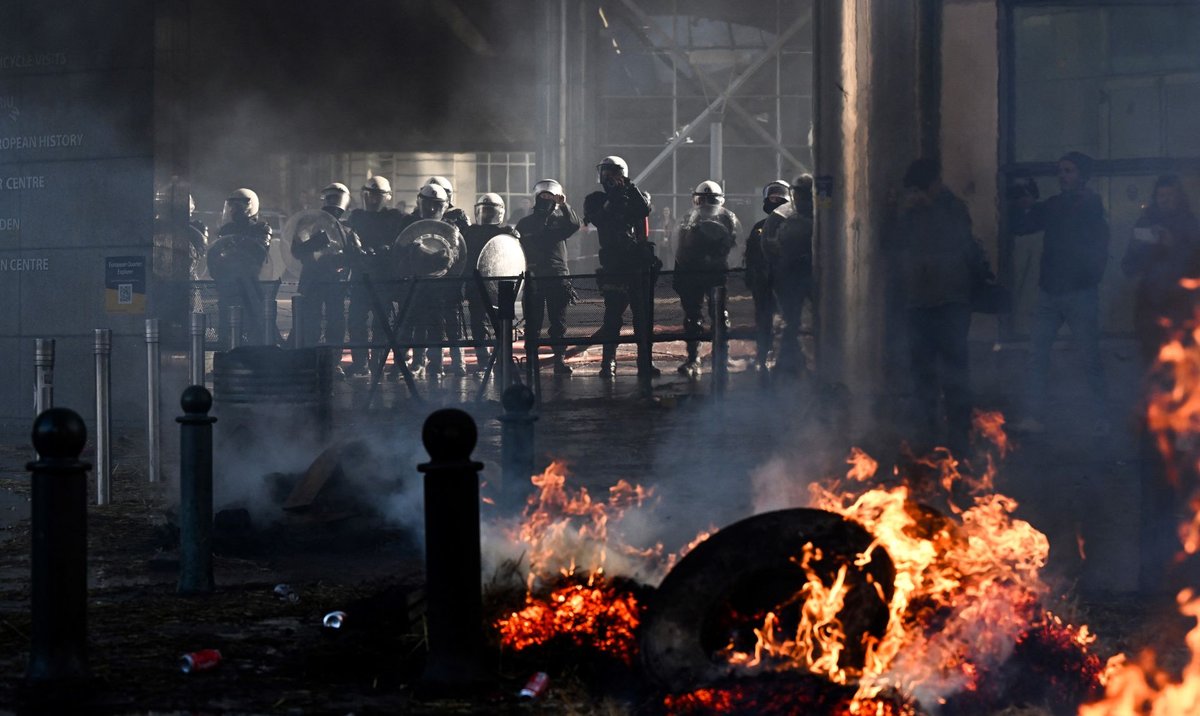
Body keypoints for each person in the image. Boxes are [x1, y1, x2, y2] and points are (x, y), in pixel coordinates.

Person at [892, 159, 992, 456]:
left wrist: (929, 210)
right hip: (919, 302)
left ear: (933, 184)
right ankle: (926, 431)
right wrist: (904, 213)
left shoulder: (952, 208)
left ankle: (959, 435)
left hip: (950, 302)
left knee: (954, 370)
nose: (917, 195)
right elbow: (893, 244)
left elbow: (956, 242)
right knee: (922, 371)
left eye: (920, 189)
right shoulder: (910, 213)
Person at [1010, 151, 1110, 434]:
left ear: (1082, 175)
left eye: (1068, 171)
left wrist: (1088, 278)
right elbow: (1023, 227)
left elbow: (1099, 249)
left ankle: (1101, 417)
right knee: (1037, 355)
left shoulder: (1089, 207)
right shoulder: (1057, 205)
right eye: (1060, 171)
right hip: (1052, 291)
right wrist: (1022, 205)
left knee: (1088, 357)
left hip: (1077, 292)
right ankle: (1034, 416)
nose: (1062, 176)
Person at [582, 155, 658, 379]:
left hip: (636, 262)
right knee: (613, 315)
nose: (608, 177)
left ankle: (645, 361)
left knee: (642, 315)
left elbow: (643, 210)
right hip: (613, 262)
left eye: (613, 173)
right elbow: (598, 219)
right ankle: (608, 363)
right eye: (605, 173)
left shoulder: (633, 196)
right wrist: (613, 198)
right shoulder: (595, 199)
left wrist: (629, 187)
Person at [1121, 174, 1200, 366]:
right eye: (1161, 196)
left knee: (1181, 359)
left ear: (1179, 197)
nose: (1165, 200)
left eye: (1170, 195)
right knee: (1151, 358)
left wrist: (1174, 245)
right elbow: (1129, 266)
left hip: (1180, 302)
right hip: (1150, 303)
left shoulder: (1190, 224)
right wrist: (1140, 247)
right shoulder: (1146, 223)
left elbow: (1195, 265)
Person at [672, 180, 740, 378]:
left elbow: (732, 244)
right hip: (699, 272)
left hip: (708, 272)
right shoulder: (692, 219)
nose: (705, 203)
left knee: (713, 315)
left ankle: (710, 357)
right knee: (701, 316)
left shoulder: (723, 219)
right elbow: (681, 247)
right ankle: (699, 358)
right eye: (703, 199)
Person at [517, 179, 582, 375]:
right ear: (537, 198)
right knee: (532, 323)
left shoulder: (560, 221)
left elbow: (574, 224)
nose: (546, 199)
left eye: (550, 196)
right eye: (543, 196)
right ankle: (531, 360)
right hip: (534, 276)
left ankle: (559, 361)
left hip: (557, 276)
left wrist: (564, 205)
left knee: (558, 323)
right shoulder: (525, 223)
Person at [290, 183, 361, 359]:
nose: (333, 203)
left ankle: (333, 360)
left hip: (335, 279)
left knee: (335, 321)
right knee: (310, 320)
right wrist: (315, 243)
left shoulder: (346, 227)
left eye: (336, 198)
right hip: (313, 278)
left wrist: (347, 255)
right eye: (331, 198)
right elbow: (297, 251)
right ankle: (308, 358)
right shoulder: (309, 222)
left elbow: (354, 257)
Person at [346, 176, 405, 377]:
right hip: (360, 277)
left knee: (382, 323)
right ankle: (360, 363)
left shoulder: (395, 218)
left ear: (386, 197)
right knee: (356, 321)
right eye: (369, 195)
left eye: (377, 196)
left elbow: (400, 243)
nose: (372, 199)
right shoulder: (356, 216)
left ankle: (377, 363)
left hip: (383, 278)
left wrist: (380, 250)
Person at [760, 175, 815, 377]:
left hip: (796, 275)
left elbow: (769, 245)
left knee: (793, 320)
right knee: (793, 320)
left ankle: (792, 361)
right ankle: (792, 360)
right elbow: (769, 246)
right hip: (794, 275)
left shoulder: (785, 218)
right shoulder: (785, 216)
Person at [462, 192, 521, 370]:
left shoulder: (505, 233)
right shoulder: (470, 232)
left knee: (502, 324)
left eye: (490, 211)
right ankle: (484, 360)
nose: (486, 215)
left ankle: (503, 358)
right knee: (479, 325)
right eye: (484, 211)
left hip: (500, 285)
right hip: (478, 285)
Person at [207, 188, 272, 347]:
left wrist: (236, 250)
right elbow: (217, 252)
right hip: (228, 282)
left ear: (249, 207)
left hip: (250, 283)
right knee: (225, 321)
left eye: (237, 206)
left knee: (253, 322)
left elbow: (259, 252)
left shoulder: (261, 228)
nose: (233, 210)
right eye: (231, 206)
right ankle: (226, 350)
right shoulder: (226, 229)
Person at [744, 180, 789, 376]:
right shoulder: (759, 228)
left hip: (786, 282)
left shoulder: (793, 225)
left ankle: (785, 357)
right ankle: (763, 354)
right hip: (763, 282)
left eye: (779, 198)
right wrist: (751, 276)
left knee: (787, 320)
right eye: (772, 197)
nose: (775, 201)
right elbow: (751, 255)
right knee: (763, 319)